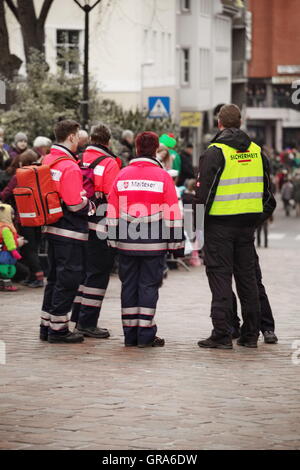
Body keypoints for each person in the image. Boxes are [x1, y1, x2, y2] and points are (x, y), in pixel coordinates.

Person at [195, 104, 276, 349]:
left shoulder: (215, 151)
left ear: (219, 123)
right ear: (240, 123)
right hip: (246, 227)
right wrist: (254, 219)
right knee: (248, 280)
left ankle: (222, 334)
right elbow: (267, 194)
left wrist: (196, 229)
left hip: (219, 225)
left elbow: (203, 196)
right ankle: (250, 335)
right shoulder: (257, 151)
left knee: (220, 278)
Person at [107, 131, 184, 348]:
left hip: (126, 242)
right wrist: (176, 243)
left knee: (128, 285)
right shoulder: (163, 176)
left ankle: (130, 335)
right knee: (149, 286)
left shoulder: (122, 175)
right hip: (154, 243)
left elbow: (112, 209)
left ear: (137, 148)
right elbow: (173, 211)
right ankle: (145, 334)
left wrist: (112, 239)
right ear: (155, 148)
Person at [40, 119, 94, 344]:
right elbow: (74, 203)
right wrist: (89, 205)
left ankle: (47, 326)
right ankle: (59, 329)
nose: (79, 139)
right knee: (68, 279)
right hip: (69, 231)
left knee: (53, 278)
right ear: (71, 136)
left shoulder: (48, 160)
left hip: (51, 227)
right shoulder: (69, 165)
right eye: (78, 135)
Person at [71, 123, 122, 338]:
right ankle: (88, 322)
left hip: (77, 223)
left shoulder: (78, 159)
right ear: (108, 141)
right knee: (98, 274)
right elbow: (113, 198)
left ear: (91, 139)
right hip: (99, 227)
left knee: (82, 274)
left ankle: (77, 317)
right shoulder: (110, 163)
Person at [0, 150, 44, 287]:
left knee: (27, 249)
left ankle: (38, 277)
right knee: (34, 247)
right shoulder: (40, 174)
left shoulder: (19, 176)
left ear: (21, 162)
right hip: (40, 217)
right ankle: (32, 276)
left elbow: (6, 193)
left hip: (24, 217)